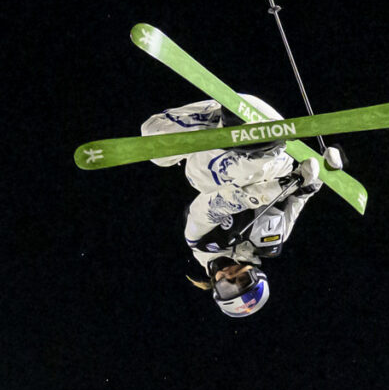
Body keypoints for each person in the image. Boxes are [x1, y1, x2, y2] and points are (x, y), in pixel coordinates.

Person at [138, 98, 325, 318]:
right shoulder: (273, 239)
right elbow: (302, 195)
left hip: (224, 132)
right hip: (269, 155)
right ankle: (253, 140)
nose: (230, 276)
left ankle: (228, 125)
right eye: (243, 280)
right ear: (256, 274)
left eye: (226, 287)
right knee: (202, 177)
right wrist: (325, 171)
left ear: (214, 287)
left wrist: (275, 189)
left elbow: (219, 202)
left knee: (153, 144)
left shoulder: (201, 241)